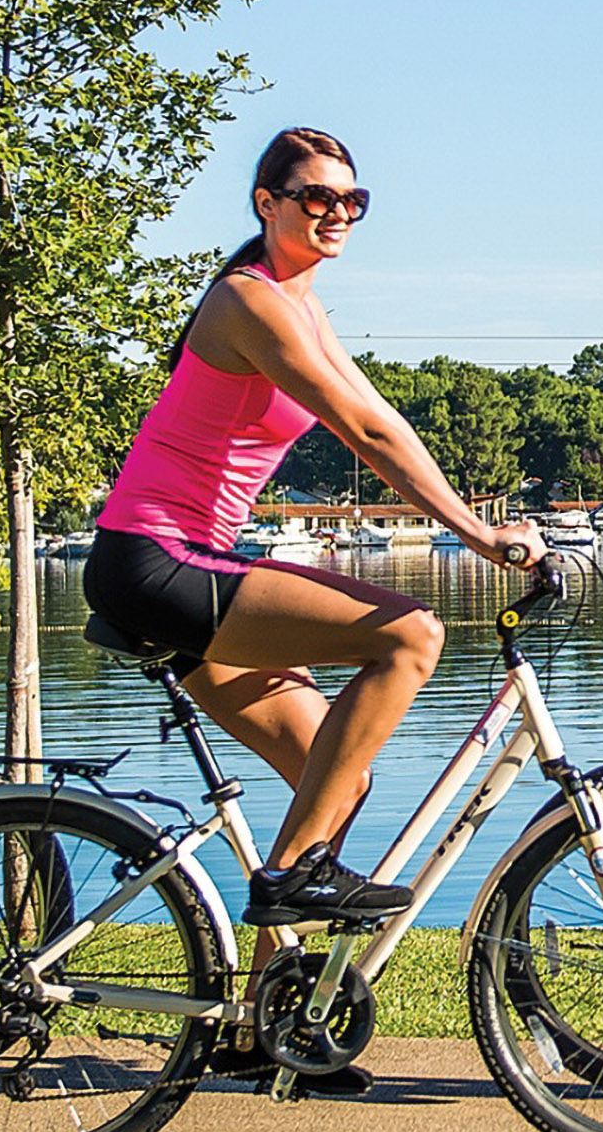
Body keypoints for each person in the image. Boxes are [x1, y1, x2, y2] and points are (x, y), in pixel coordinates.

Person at [84, 126, 539, 974]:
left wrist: (482, 517)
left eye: (352, 201)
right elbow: (358, 429)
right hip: (157, 560)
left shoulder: (301, 304)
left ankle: (267, 1019)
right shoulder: (247, 300)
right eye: (316, 197)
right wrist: (476, 535)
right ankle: (292, 877)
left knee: (339, 775)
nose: (337, 212)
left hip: (181, 565)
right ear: (267, 204)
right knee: (410, 634)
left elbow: (385, 416)